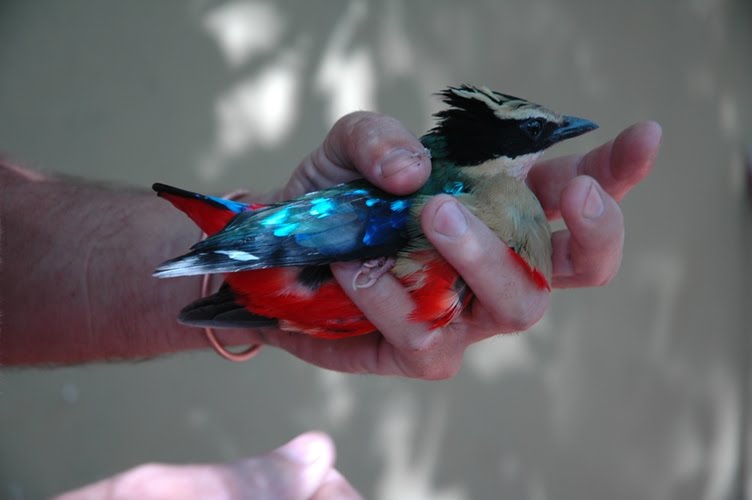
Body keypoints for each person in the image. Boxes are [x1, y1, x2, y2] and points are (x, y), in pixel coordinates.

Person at [2, 112, 662, 499]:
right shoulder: (430, 203)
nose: (544, 142)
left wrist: (222, 286)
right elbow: (315, 235)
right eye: (528, 134)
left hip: (286, 290)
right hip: (286, 261)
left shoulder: (472, 215)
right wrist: (233, 251)